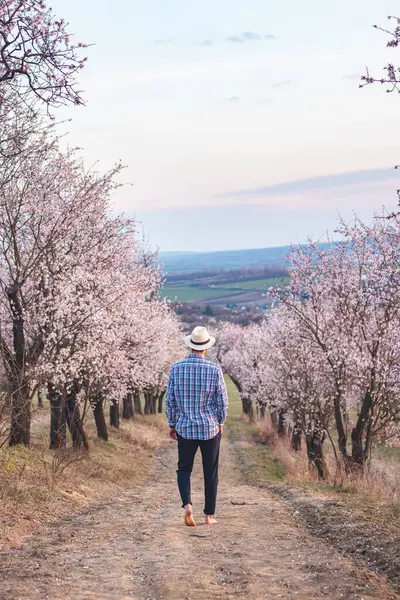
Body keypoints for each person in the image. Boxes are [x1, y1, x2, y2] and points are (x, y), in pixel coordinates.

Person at [165, 326, 228, 527]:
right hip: (209, 428)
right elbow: (222, 401)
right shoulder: (214, 369)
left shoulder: (176, 368)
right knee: (211, 472)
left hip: (185, 428)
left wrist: (172, 423)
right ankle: (209, 516)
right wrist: (220, 421)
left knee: (184, 469)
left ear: (191, 346)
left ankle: (187, 506)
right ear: (206, 348)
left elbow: (170, 400)